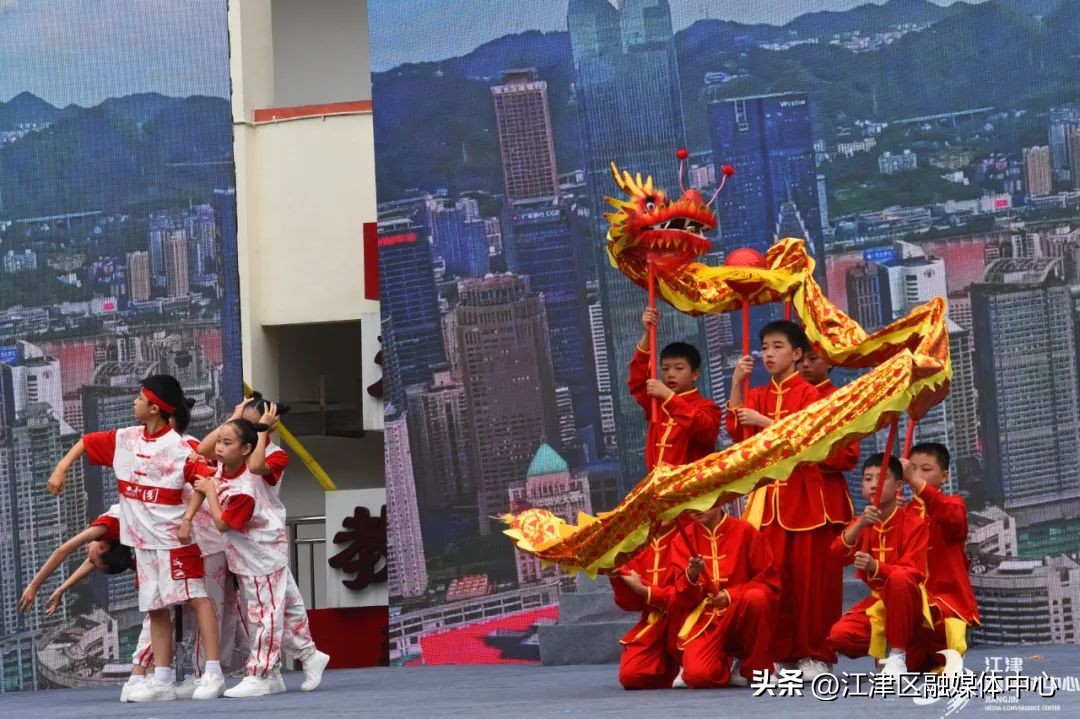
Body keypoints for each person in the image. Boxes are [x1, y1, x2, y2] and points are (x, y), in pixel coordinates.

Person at [47, 374, 225, 701]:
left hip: (174, 542)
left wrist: (187, 519)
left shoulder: (179, 447)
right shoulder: (125, 438)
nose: (134, 402)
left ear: (155, 408)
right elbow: (86, 442)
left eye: (140, 399)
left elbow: (205, 480)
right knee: (155, 608)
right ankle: (162, 680)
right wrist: (61, 467)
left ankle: (213, 673)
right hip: (142, 545)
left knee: (197, 598)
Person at [197, 393, 330, 691]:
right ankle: (303, 658)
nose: (240, 424)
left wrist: (260, 432)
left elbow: (256, 466)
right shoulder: (230, 453)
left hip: (262, 542)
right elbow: (204, 450)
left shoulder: (272, 454)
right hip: (244, 544)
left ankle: (261, 671)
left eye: (249, 421)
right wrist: (234, 418)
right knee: (283, 607)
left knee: (266, 611)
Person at [726, 320, 834, 678]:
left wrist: (765, 421)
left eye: (777, 347)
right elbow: (737, 433)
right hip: (765, 504)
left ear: (796, 353)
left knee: (808, 585)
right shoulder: (756, 394)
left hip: (803, 499)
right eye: (765, 348)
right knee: (772, 584)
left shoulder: (809, 393)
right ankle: (773, 654)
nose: (768, 354)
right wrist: (738, 382)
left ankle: (813, 655)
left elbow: (808, 440)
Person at [827, 454, 933, 676]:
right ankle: (892, 647)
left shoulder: (914, 523)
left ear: (899, 485)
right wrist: (859, 526)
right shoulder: (862, 522)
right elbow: (835, 556)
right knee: (840, 635)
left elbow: (913, 573)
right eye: (867, 479)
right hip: (878, 604)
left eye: (882, 478)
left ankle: (897, 652)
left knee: (900, 579)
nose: (873, 485)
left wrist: (876, 567)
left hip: (911, 605)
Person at [674, 504, 778, 688]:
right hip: (706, 620)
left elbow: (769, 582)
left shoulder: (745, 531)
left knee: (757, 598)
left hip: (740, 612)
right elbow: (683, 598)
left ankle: (757, 668)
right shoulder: (683, 539)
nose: (696, 508)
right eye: (689, 503)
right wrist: (692, 574)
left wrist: (731, 595)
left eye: (703, 500)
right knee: (699, 676)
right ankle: (723, 664)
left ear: (720, 499)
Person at [797, 348, 859, 651]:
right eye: (802, 359)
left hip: (823, 502)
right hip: (783, 503)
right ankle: (789, 653)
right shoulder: (785, 395)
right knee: (787, 583)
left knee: (820, 584)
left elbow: (849, 455)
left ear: (831, 361)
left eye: (814, 359)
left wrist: (806, 453)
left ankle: (819, 652)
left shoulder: (838, 399)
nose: (806, 365)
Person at [901, 442, 979, 672]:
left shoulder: (955, 505)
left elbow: (951, 517)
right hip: (912, 610)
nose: (917, 475)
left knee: (938, 621)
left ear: (944, 476)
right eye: (912, 469)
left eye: (926, 469)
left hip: (945, 604)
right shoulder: (902, 514)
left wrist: (914, 480)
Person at [629, 308, 722, 471]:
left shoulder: (708, 408)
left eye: (679, 369)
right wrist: (647, 334)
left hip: (690, 493)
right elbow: (637, 381)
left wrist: (668, 396)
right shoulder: (657, 404)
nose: (670, 374)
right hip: (658, 490)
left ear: (695, 374)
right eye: (665, 369)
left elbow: (703, 429)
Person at [610, 519, 685, 690]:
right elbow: (631, 604)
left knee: (701, 672)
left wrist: (646, 590)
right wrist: (616, 578)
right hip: (653, 622)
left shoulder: (688, 536)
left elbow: (687, 594)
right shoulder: (634, 546)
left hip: (687, 619)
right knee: (631, 676)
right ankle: (675, 670)